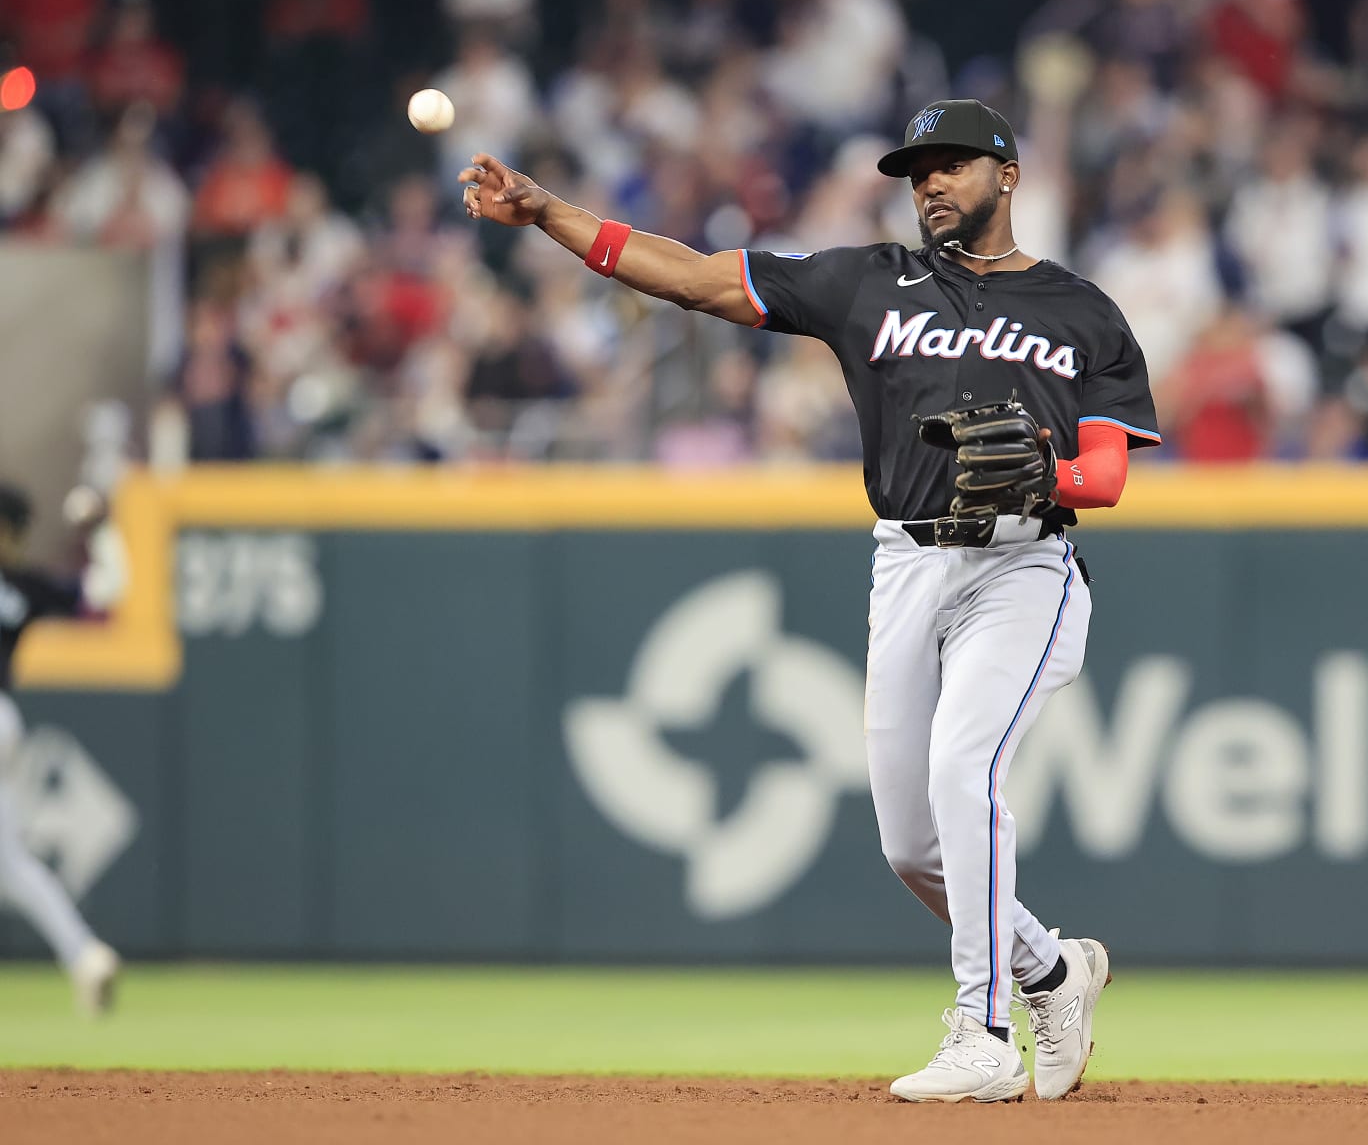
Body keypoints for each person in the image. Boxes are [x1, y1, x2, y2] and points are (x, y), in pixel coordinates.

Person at [460, 98, 1160, 1103]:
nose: (930, 182)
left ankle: (983, 1030)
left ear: (1008, 176)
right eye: (918, 169)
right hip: (906, 563)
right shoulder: (868, 281)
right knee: (911, 844)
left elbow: (1107, 474)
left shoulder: (1080, 309)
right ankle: (1052, 970)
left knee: (966, 770)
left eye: (953, 164)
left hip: (1025, 568)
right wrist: (550, 214)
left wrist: (1047, 474)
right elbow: (696, 279)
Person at [0, 482, 124, 1016]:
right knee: (9, 865)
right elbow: (106, 599)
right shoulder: (22, 585)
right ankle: (85, 955)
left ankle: (83, 954)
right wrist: (102, 534)